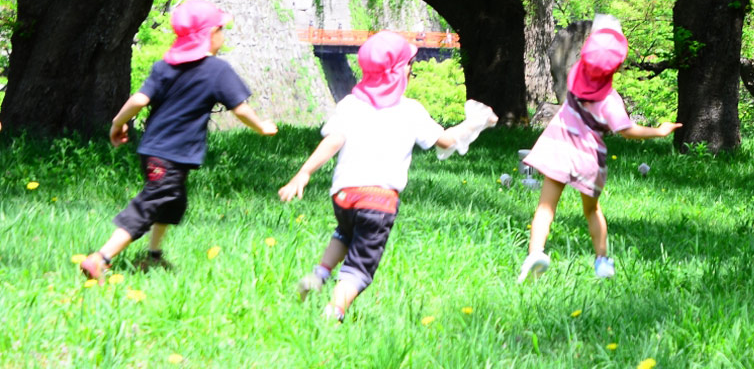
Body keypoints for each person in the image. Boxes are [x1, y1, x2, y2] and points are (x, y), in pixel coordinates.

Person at [276, 32, 498, 322]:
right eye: (408, 63)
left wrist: (303, 173)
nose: (411, 68)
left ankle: (319, 275)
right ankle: (333, 312)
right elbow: (444, 141)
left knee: (346, 232)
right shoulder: (410, 110)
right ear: (399, 72)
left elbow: (333, 141)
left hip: (343, 196)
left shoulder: (350, 105)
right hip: (378, 202)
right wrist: (474, 123)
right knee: (360, 265)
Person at [78, 0, 278, 279]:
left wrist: (118, 123)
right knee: (152, 203)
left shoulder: (164, 67)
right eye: (221, 28)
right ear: (210, 34)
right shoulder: (217, 70)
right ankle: (101, 258)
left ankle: (153, 257)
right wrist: (262, 127)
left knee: (172, 203)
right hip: (170, 155)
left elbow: (139, 99)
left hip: (154, 150)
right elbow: (240, 108)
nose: (223, 33)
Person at [517, 16, 681, 283]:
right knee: (592, 210)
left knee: (545, 208)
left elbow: (595, 53)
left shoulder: (575, 74)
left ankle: (535, 254)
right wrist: (659, 131)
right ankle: (601, 261)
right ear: (614, 68)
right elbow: (627, 130)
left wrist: (602, 34)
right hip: (587, 159)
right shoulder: (610, 100)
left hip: (558, 148)